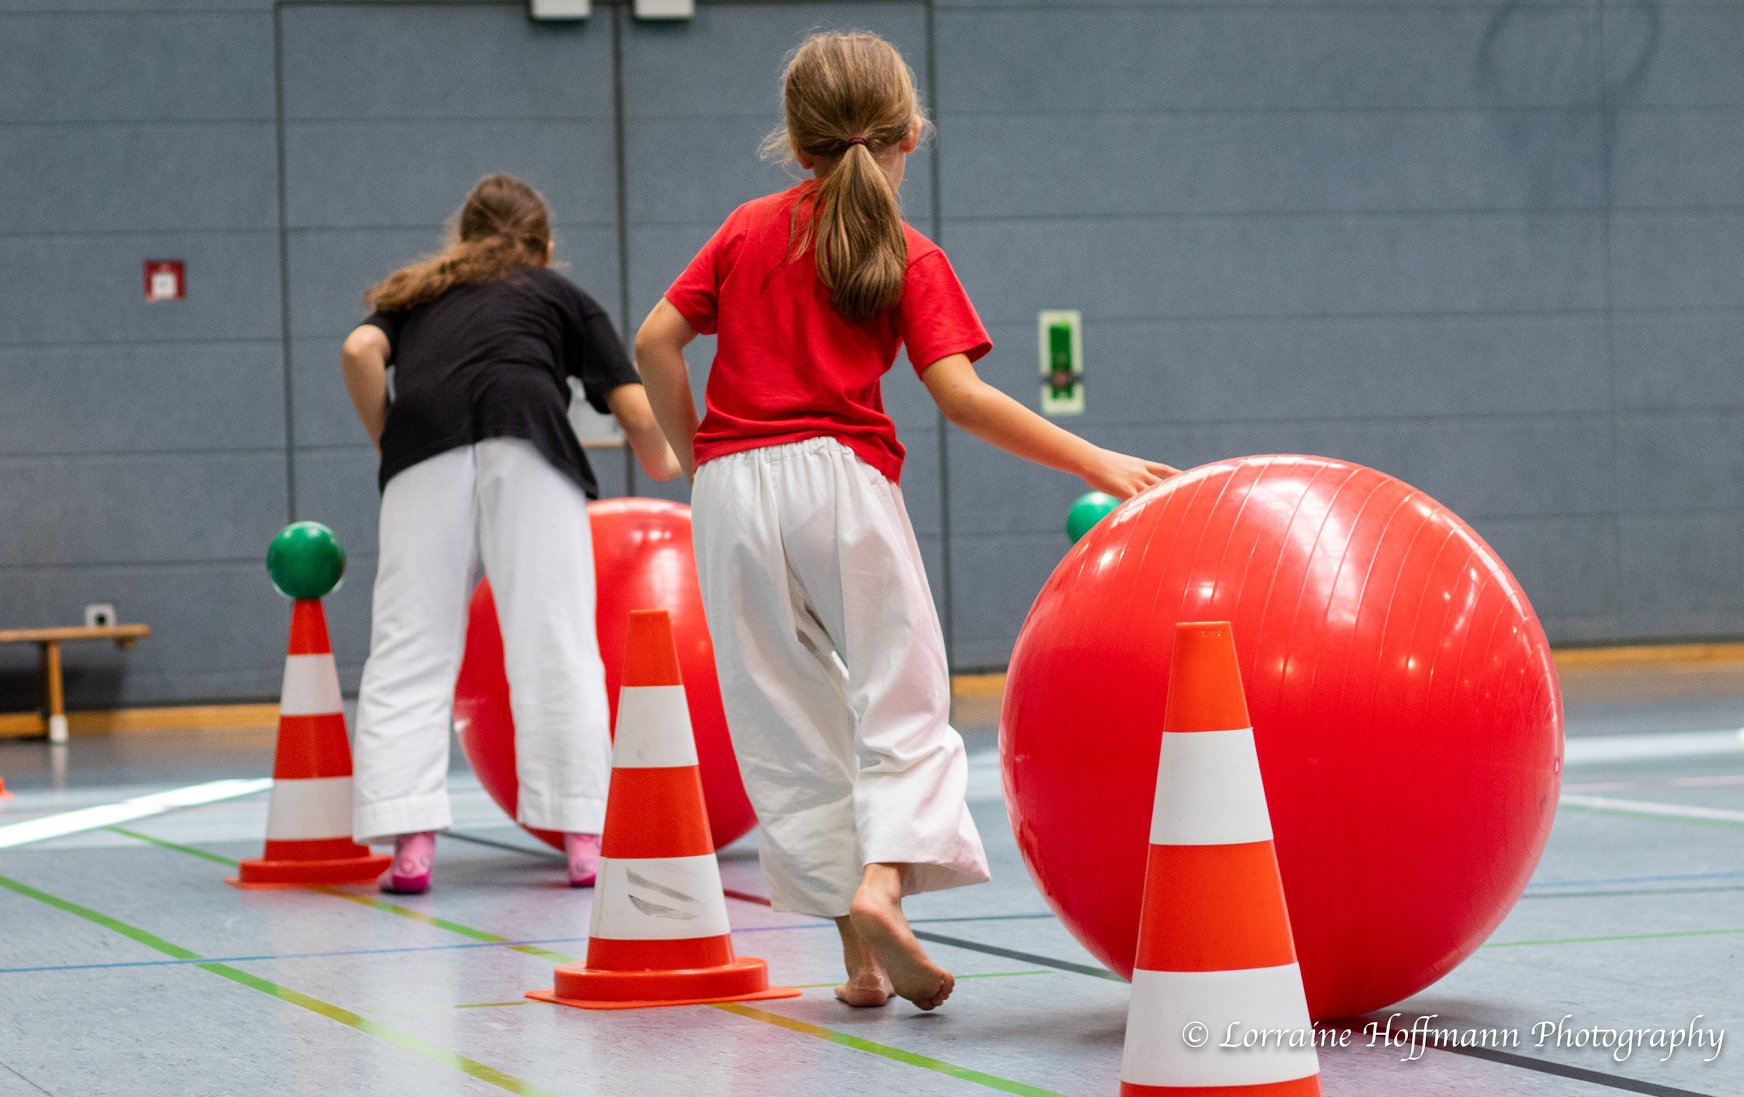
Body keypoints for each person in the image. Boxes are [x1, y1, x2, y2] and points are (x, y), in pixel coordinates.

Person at [635, 33, 1177, 1009]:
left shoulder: (743, 229)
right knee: (902, 700)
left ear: (795, 145)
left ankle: (858, 958)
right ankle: (885, 883)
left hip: (729, 491)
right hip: (837, 482)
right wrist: (1094, 457)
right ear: (910, 136)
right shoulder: (903, 249)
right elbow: (960, 398)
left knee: (786, 722)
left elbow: (655, 340)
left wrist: (693, 453)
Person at [340, 173, 679, 894]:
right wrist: (670, 462)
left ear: (460, 239)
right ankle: (584, 835)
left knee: (411, 640)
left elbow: (358, 352)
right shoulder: (559, 294)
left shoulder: (416, 291)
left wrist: (389, 441)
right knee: (552, 634)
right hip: (529, 434)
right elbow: (636, 412)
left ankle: (411, 842)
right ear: (546, 247)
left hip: (422, 442)